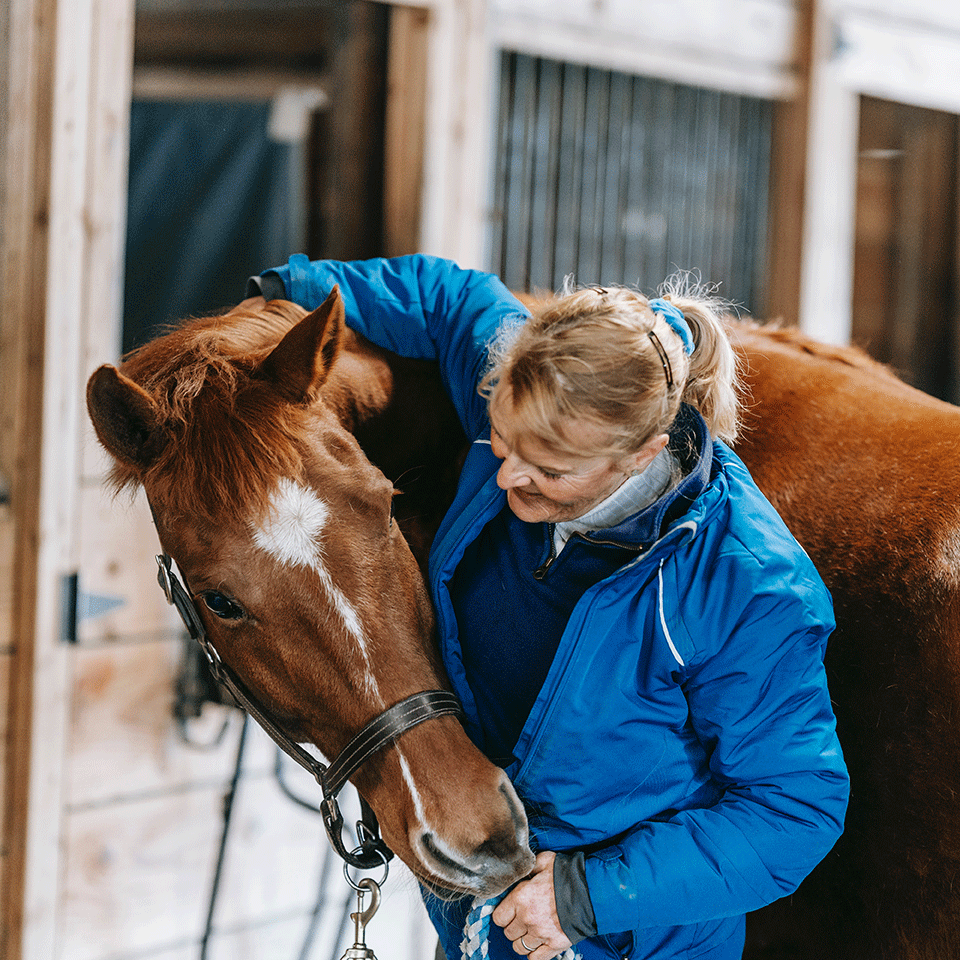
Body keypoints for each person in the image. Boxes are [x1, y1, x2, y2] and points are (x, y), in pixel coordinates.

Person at [247, 255, 849, 960]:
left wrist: (586, 896)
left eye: (551, 471)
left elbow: (795, 808)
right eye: (501, 442)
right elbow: (452, 298)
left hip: (622, 937)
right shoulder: (531, 399)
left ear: (641, 454)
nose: (507, 478)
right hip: (484, 920)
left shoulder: (748, 585)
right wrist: (283, 292)